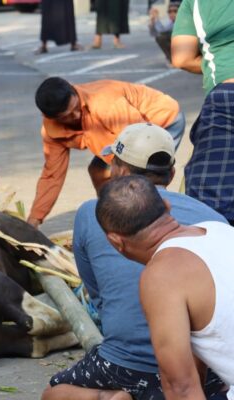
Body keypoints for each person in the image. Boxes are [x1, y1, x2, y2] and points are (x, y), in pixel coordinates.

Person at [41, 123, 227, 400]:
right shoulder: (216, 224)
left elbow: (181, 386)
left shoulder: (156, 270)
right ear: (166, 204)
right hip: (213, 368)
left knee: (54, 394)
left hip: (134, 365)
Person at [95, 175, 234, 400]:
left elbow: (180, 387)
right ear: (168, 208)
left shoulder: (160, 278)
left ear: (115, 241)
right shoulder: (218, 230)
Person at [27, 77, 185, 228]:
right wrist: (35, 219)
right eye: (66, 117)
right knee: (99, 172)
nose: (76, 116)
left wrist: (125, 181)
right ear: (50, 117)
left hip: (158, 124)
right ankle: (112, 219)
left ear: (73, 90)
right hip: (116, 137)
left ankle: (155, 225)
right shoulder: (52, 132)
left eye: (76, 108)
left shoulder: (106, 104)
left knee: (142, 180)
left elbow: (137, 146)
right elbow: (52, 174)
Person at [171, 0, 234, 225]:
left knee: (211, 204)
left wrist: (211, 62)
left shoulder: (195, 2)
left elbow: (182, 57)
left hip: (225, 99)